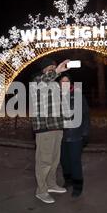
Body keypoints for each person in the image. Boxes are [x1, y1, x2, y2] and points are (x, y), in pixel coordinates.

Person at [30, 58, 71, 204]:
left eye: (55, 67)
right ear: (43, 70)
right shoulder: (37, 82)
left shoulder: (55, 85)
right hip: (45, 128)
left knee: (54, 159)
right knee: (44, 161)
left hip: (57, 127)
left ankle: (51, 184)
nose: (53, 69)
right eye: (50, 67)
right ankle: (41, 191)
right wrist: (57, 71)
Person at [59, 74, 90, 197]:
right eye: (62, 82)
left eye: (67, 82)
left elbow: (86, 115)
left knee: (75, 161)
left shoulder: (78, 95)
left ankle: (78, 186)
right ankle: (68, 181)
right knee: (64, 161)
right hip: (60, 135)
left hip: (75, 135)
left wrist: (85, 133)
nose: (64, 84)